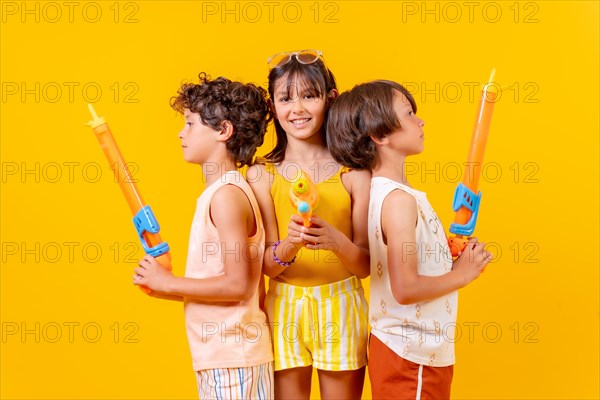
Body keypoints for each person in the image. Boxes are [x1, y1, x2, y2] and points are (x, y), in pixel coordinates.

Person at [326, 79, 493, 400]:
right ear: (380, 134)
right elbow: (405, 289)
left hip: (416, 353)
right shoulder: (398, 201)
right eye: (409, 113)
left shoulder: (387, 194)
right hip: (412, 355)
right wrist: (462, 275)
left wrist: (444, 254)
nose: (421, 121)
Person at [133, 73, 274, 399]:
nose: (181, 134)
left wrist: (170, 283)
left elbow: (239, 286)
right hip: (221, 358)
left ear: (223, 131)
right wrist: (162, 286)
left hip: (233, 359)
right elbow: (219, 284)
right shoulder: (220, 193)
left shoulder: (226, 196)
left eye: (190, 123)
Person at [246, 50, 370, 399]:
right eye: (285, 98)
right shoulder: (260, 176)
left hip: (342, 303)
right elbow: (267, 266)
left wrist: (335, 241)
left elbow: (364, 266)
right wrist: (290, 244)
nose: (296, 108)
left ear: (329, 99)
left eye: (309, 96)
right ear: (272, 106)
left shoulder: (355, 174)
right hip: (284, 305)